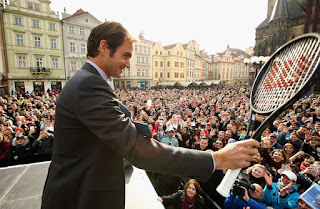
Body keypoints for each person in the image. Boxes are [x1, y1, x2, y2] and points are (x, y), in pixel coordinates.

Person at [41, 21, 260, 209]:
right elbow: (137, 149)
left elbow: (101, 143)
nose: (128, 64)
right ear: (104, 47)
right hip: (79, 199)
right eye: (125, 55)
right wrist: (217, 159)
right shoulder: (89, 83)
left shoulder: (87, 81)